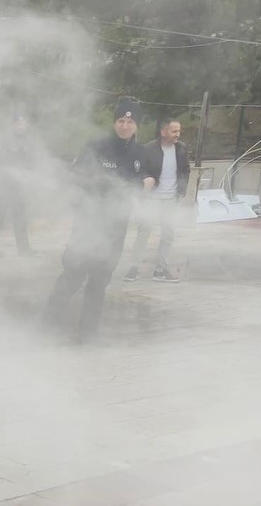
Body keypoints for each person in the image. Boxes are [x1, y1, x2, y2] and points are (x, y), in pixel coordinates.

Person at [45, 98, 153, 341]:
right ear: (115, 123)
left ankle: (88, 333)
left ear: (137, 126)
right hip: (89, 225)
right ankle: (47, 325)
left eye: (130, 121)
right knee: (72, 276)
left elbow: (144, 179)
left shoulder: (140, 153)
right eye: (121, 121)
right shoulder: (97, 147)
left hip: (116, 228)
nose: (125, 126)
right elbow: (79, 178)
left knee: (99, 281)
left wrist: (148, 182)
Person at [126, 116, 190, 282]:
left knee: (168, 235)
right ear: (164, 132)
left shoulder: (181, 148)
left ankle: (161, 270)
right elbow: (140, 171)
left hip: (171, 200)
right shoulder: (148, 149)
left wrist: (181, 191)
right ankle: (133, 268)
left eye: (179, 131)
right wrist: (145, 185)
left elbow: (186, 170)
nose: (178, 134)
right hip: (151, 199)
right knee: (144, 232)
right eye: (174, 131)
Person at [0, 113, 34, 256]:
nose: (21, 127)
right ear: (13, 125)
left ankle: (23, 249)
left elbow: (29, 162)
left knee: (20, 218)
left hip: (18, 186)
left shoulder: (25, 140)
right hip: (3, 186)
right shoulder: (5, 140)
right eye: (19, 124)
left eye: (23, 124)